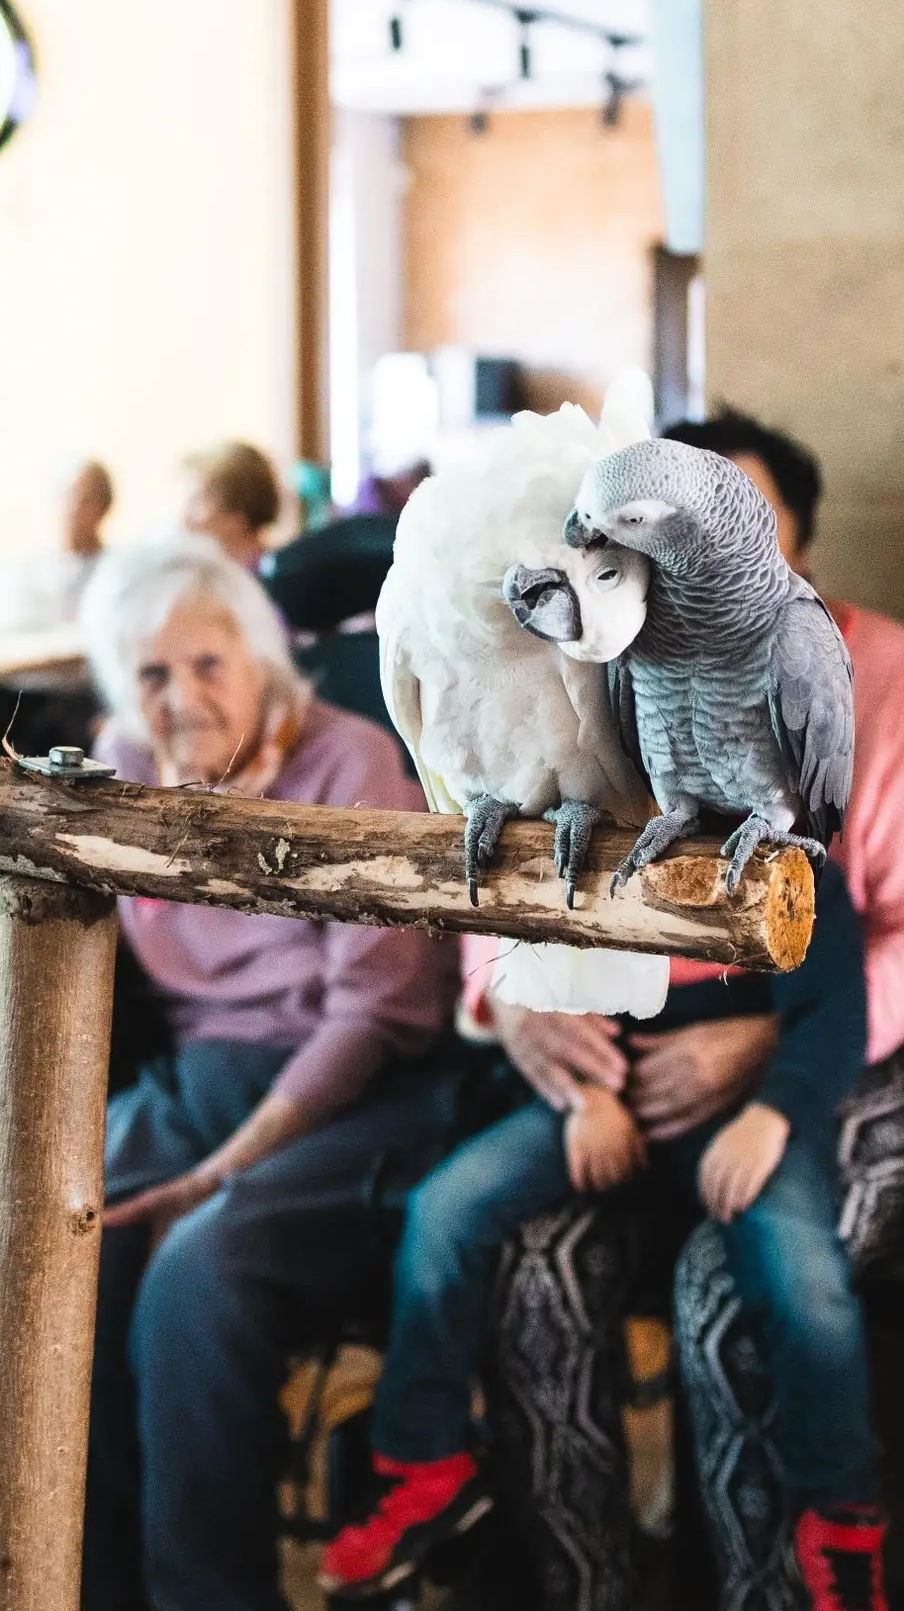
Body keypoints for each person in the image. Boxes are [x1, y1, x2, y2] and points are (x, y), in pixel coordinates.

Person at [484, 406, 904, 1609]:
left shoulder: (848, 652)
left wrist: (768, 1050)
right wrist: (514, 999)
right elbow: (556, 819)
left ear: (782, 533)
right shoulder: (626, 636)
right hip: (631, 1049)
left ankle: (804, 1560)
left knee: (732, 1298)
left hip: (813, 1032)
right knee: (525, 1266)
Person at [319, 865, 883, 1611]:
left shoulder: (791, 870)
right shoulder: (590, 857)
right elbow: (543, 994)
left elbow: (836, 1014)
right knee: (444, 1211)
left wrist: (773, 1116)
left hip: (745, 1112)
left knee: (804, 1277)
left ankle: (841, 1521)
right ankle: (424, 1459)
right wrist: (583, 1096)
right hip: (604, 1094)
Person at [79, 536, 470, 1611]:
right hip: (202, 1078)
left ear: (259, 658)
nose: (181, 698)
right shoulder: (122, 766)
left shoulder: (349, 764)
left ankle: (205, 1593)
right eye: (151, 673)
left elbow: (377, 1013)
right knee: (67, 1243)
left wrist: (222, 1171)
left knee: (197, 1269)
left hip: (359, 1094)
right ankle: (94, 1586)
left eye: (208, 663)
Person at [0, 456, 114, 629]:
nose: (73, 508)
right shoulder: (28, 572)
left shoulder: (114, 572)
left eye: (86, 500)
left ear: (104, 508)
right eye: (69, 495)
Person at [180, 439, 283, 570]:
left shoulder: (276, 575)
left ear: (240, 510)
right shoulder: (204, 573)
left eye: (198, 500)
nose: (185, 517)